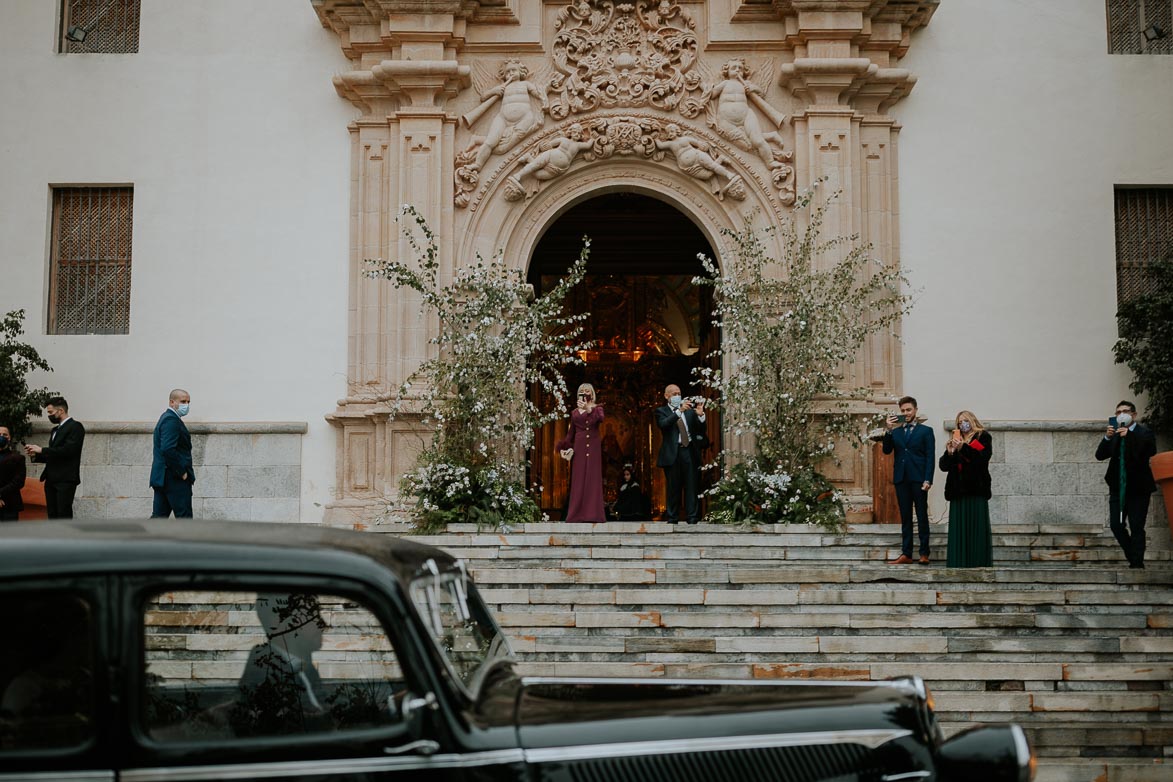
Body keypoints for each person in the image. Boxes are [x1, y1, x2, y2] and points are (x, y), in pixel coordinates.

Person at [233, 593, 329, 737]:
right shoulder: (265, 678)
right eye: (311, 616)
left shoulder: (303, 670)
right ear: (279, 622)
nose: (323, 624)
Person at [1095, 400, 1157, 569]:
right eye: (1118, 412)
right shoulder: (1114, 434)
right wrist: (1107, 437)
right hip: (1118, 490)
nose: (1121, 414)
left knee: (1137, 526)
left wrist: (1128, 436)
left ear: (1134, 415)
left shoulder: (1144, 432)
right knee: (1117, 524)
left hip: (1138, 490)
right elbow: (1100, 455)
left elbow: (1148, 450)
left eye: (1125, 411)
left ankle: (1136, 564)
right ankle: (1133, 556)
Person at [882, 395, 934, 564]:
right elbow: (887, 451)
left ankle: (924, 553)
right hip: (901, 479)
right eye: (903, 410)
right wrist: (888, 430)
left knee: (921, 516)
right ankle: (907, 554)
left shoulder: (926, 431)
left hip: (919, 479)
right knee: (905, 517)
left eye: (909, 410)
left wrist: (928, 479)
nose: (906, 413)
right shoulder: (895, 432)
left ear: (915, 410)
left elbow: (930, 457)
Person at [939, 411, 993, 567]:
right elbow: (944, 466)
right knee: (959, 530)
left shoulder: (983, 436)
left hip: (976, 489)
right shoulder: (956, 440)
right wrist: (950, 452)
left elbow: (982, 459)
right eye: (960, 422)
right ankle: (959, 561)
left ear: (972, 420)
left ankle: (978, 561)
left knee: (976, 527)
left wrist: (964, 447)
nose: (963, 424)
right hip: (958, 490)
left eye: (965, 421)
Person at [24, 397, 85, 520]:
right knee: (52, 515)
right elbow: (55, 455)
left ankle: (65, 539)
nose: (49, 415)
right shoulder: (55, 430)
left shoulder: (76, 427)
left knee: (63, 515)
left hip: (65, 479)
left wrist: (42, 450)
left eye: (51, 412)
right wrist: (36, 455)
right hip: (51, 479)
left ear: (61, 410)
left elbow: (68, 451)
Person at [556, 383, 606, 522]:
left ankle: (593, 514)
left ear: (592, 393)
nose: (585, 393)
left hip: (594, 447)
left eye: (587, 391)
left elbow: (600, 419)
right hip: (579, 446)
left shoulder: (598, 408)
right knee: (578, 480)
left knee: (592, 478)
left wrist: (589, 408)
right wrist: (564, 447)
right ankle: (576, 514)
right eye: (582, 391)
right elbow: (570, 433)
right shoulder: (574, 413)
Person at [656, 384, 705, 523]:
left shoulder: (689, 412)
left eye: (679, 393)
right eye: (673, 394)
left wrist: (701, 416)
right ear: (666, 396)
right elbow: (663, 424)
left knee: (691, 484)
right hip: (672, 453)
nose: (677, 396)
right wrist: (678, 411)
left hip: (688, 450)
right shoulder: (661, 411)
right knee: (673, 486)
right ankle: (672, 517)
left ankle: (692, 517)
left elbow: (700, 431)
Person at [150, 389, 195, 519]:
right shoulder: (171, 420)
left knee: (159, 518)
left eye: (188, 402)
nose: (186, 405)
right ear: (172, 402)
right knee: (184, 519)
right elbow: (168, 449)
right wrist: (182, 472)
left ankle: (138, 539)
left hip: (163, 478)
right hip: (174, 479)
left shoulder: (167, 418)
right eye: (183, 401)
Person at [0, 425, 25, 522]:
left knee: (9, 536)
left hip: (10, 504)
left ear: (9, 438)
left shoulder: (18, 458)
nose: (1, 436)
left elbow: (18, 482)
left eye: (4, 435)